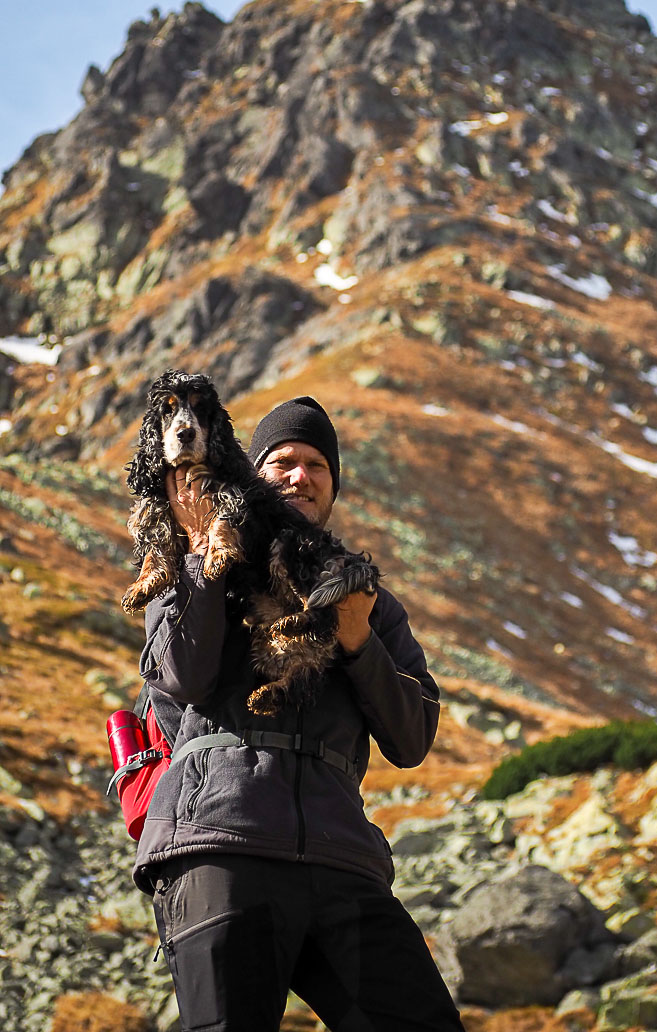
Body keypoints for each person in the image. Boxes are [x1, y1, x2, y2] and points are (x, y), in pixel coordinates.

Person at [132, 395, 465, 1032]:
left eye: (317, 464)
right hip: (221, 844)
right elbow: (182, 676)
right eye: (282, 460)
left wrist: (358, 639)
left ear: (333, 484)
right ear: (252, 475)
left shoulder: (364, 596)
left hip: (343, 862)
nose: (300, 475)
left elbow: (412, 736)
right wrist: (206, 555)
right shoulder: (185, 561)